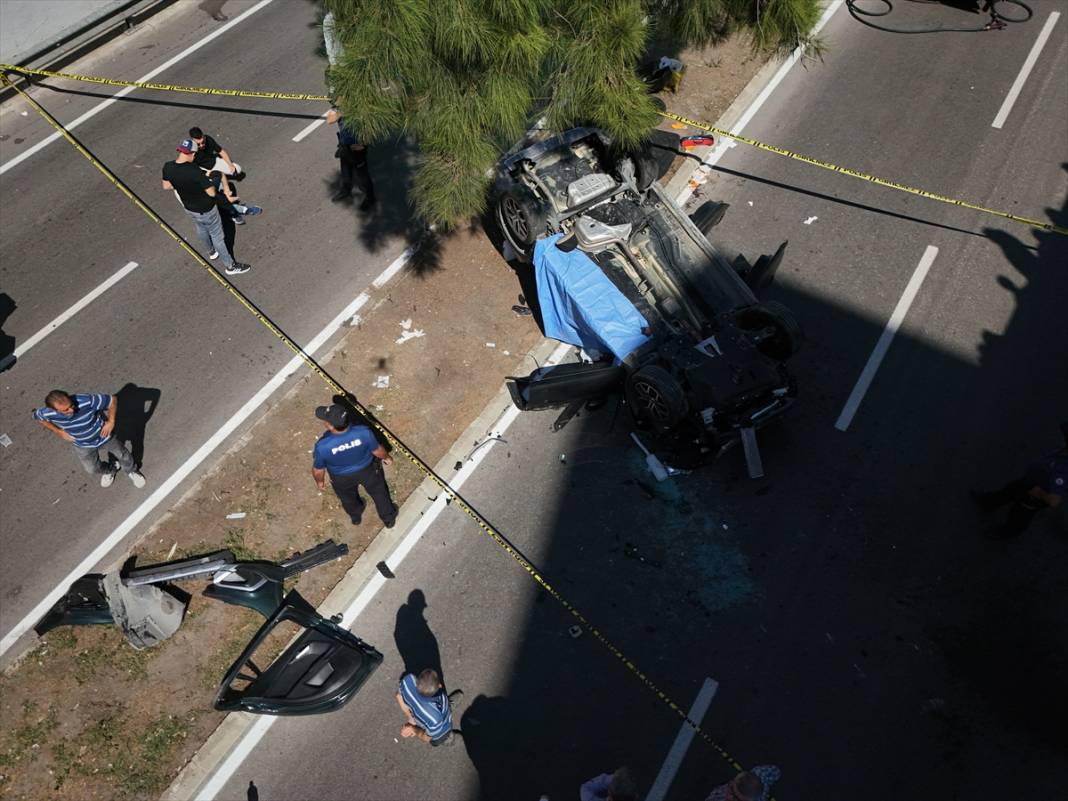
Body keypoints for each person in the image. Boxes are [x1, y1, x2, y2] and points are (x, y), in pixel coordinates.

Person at [162, 138, 250, 275]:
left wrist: (183, 184)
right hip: (206, 209)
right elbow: (211, 192)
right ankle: (230, 266)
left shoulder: (168, 166)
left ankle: (211, 252)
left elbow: (166, 186)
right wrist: (213, 180)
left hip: (189, 208)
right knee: (218, 236)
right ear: (191, 153)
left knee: (200, 228)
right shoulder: (194, 171)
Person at [33, 390, 146, 488]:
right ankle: (111, 468)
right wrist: (58, 431)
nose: (71, 410)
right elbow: (38, 417)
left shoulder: (85, 401)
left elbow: (112, 400)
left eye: (71, 405)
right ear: (53, 410)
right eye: (65, 410)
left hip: (104, 436)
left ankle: (131, 471)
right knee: (92, 469)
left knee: (122, 455)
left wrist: (111, 421)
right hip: (82, 444)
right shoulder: (46, 412)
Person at [971, 423, 1068, 537]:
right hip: (1029, 482)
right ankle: (987, 503)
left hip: (1033, 496)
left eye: (1064, 436)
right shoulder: (1064, 451)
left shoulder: (1063, 470)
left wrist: (1037, 491)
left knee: (1019, 516)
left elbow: (1053, 501)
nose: (1061, 436)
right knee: (1009, 491)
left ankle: (1006, 533)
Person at [311, 403, 397, 527]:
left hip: (341, 478)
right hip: (368, 470)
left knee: (347, 498)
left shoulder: (323, 445)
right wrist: (386, 457)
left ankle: (355, 515)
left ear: (330, 426)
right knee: (379, 492)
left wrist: (319, 482)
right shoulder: (363, 431)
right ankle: (388, 519)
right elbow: (376, 449)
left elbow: (318, 470)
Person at [395, 668, 462, 746]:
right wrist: (413, 729)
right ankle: (447, 738)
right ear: (439, 685)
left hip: (423, 717)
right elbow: (426, 738)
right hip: (436, 725)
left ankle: (446, 709)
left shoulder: (408, 679)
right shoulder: (436, 720)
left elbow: (398, 696)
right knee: (440, 734)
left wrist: (411, 718)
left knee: (442, 707)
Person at [326, 107, 376, 210]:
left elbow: (371, 125)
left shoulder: (359, 105)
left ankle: (370, 197)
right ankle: (346, 190)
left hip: (358, 145)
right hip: (345, 144)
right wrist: (340, 113)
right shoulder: (338, 108)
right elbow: (329, 120)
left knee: (362, 175)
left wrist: (364, 144)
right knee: (345, 170)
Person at [704, 766, 780, 801]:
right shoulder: (761, 773)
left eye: (737, 799)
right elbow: (775, 771)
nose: (730, 797)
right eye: (731, 789)